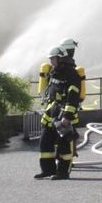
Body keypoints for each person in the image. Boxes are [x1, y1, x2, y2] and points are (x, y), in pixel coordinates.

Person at [36, 45, 82, 180]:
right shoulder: (54, 71)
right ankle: (48, 170)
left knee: (64, 147)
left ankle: (63, 172)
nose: (51, 62)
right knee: (45, 142)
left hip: (63, 113)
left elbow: (73, 97)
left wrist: (67, 117)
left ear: (61, 58)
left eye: (53, 59)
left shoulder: (71, 74)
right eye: (50, 59)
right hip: (51, 111)